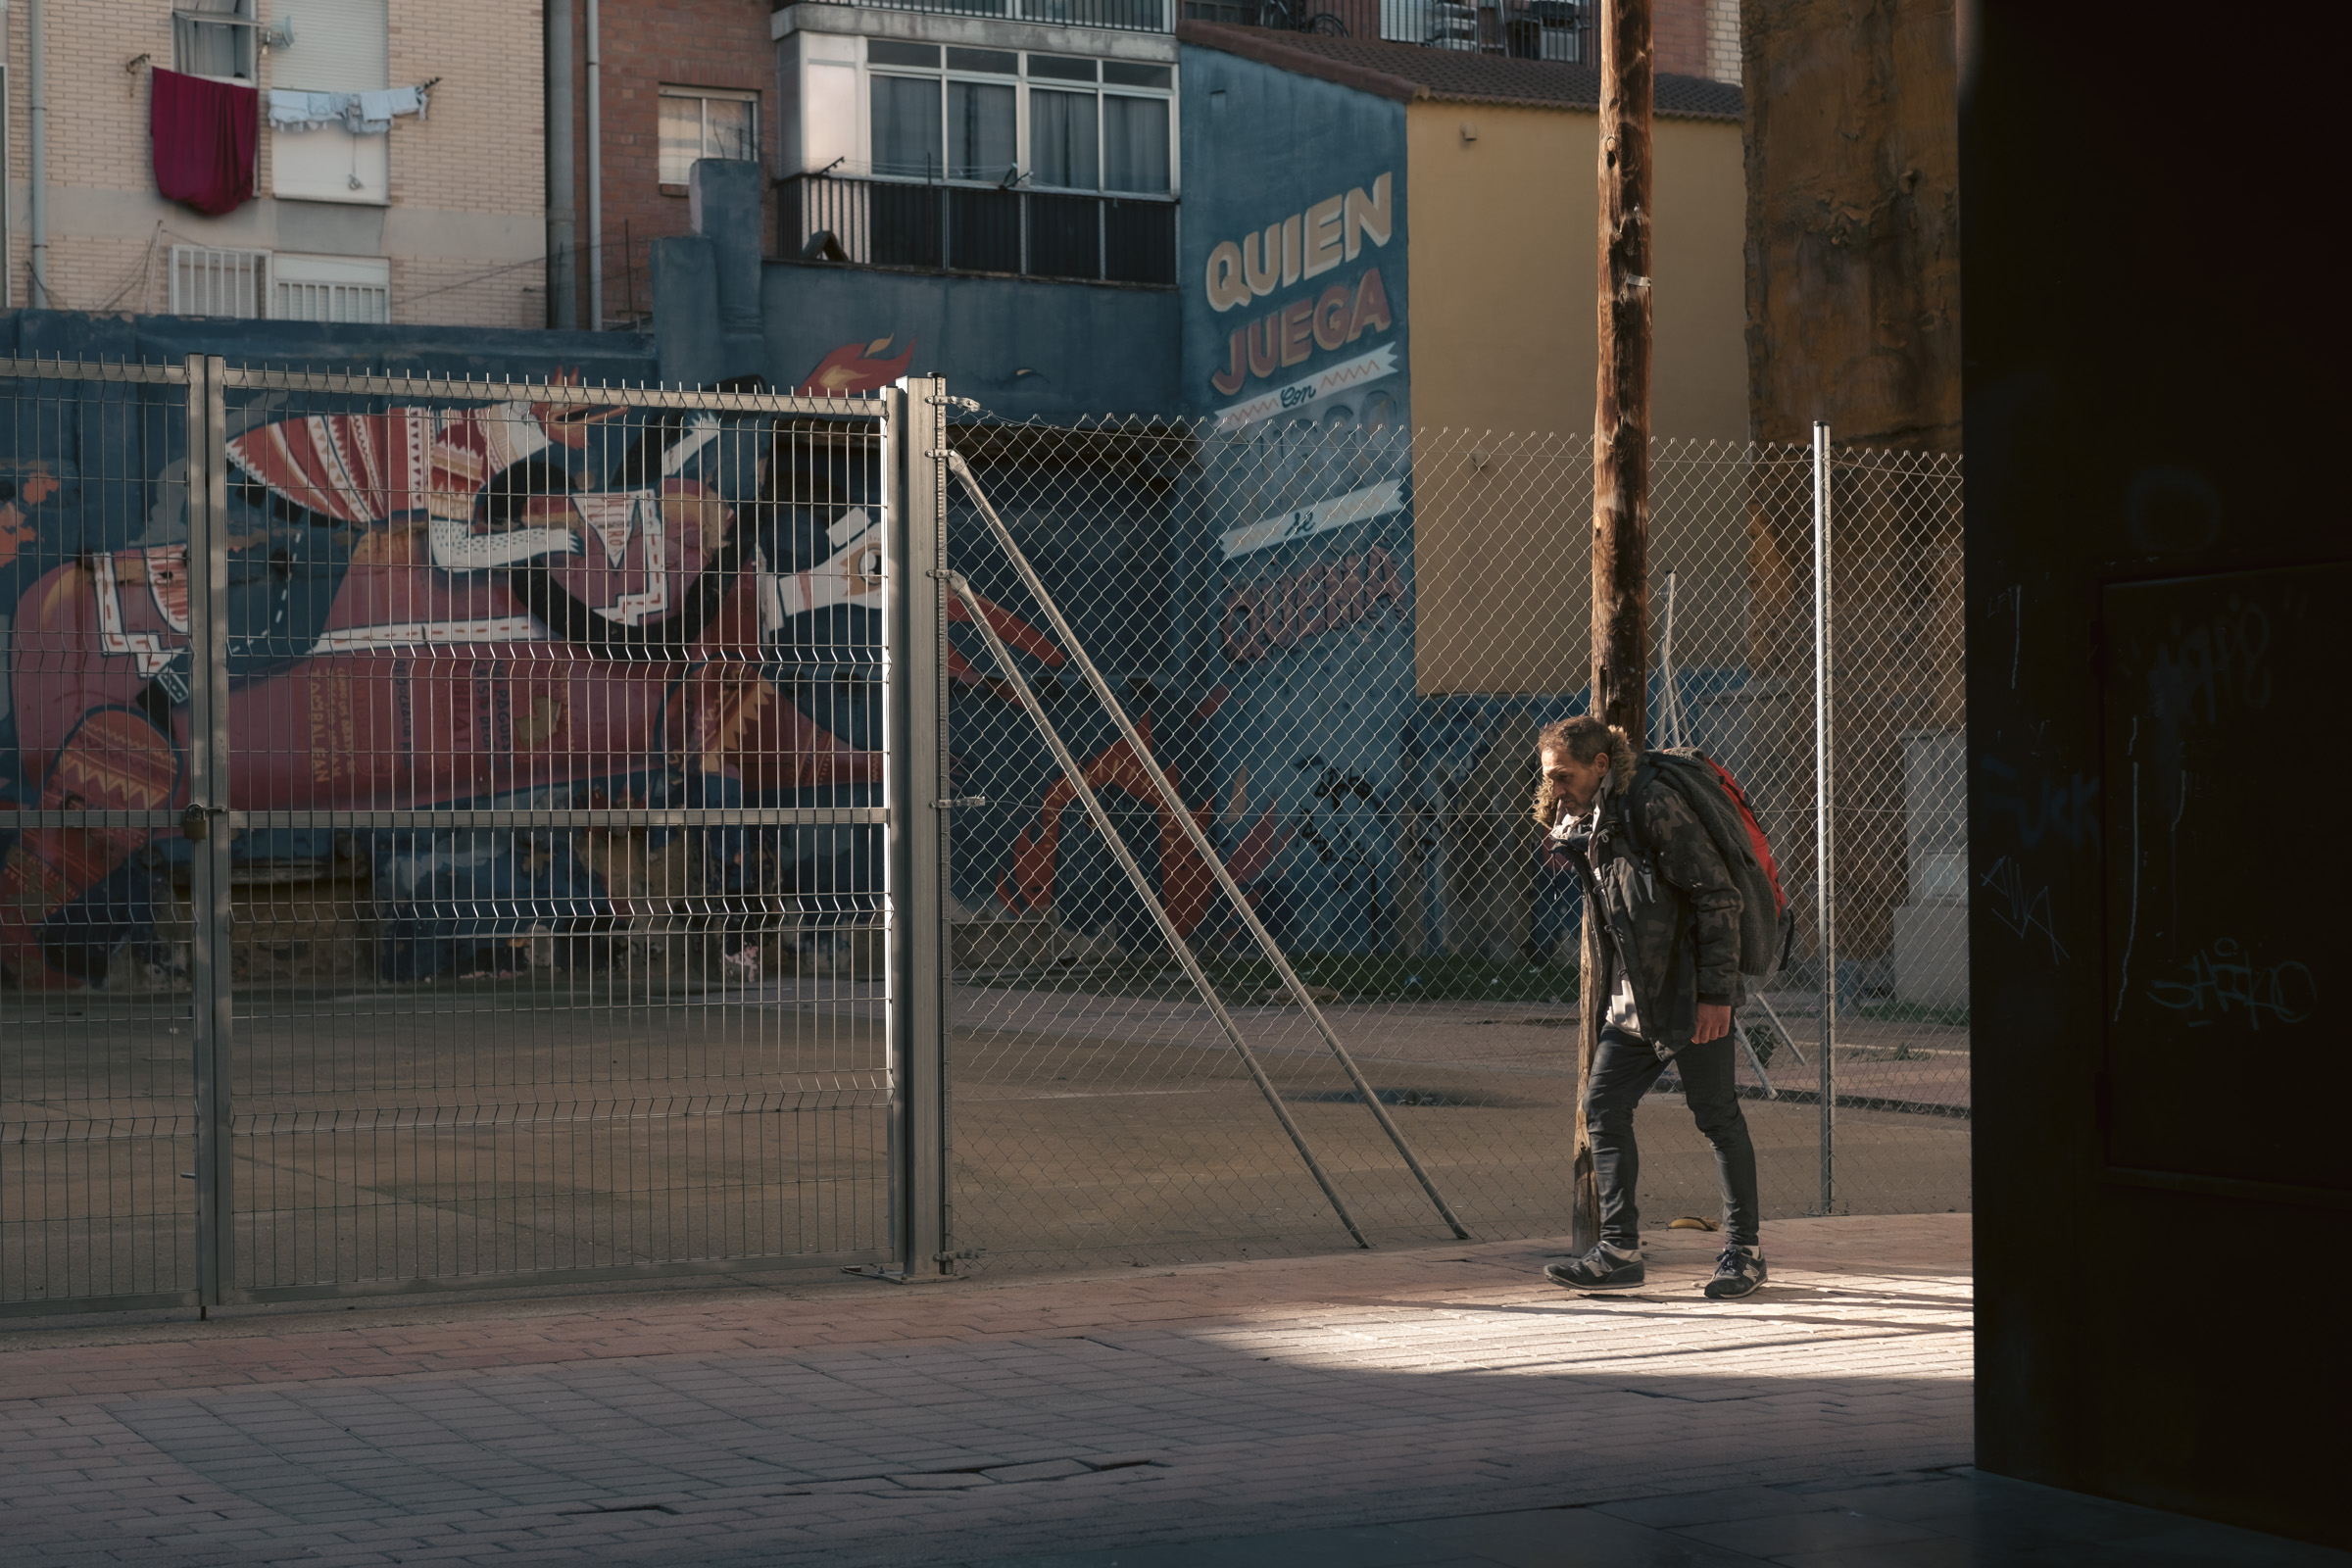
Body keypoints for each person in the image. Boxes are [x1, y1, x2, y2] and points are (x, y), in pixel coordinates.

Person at [1534, 714, 1766, 1299]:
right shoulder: (1588, 816)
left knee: (1716, 1117)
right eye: (1548, 777)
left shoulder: (1653, 806)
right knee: (1604, 1108)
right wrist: (1569, 832)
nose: (1554, 788)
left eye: (1563, 776)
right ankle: (1618, 1252)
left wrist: (1717, 996)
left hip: (1688, 993)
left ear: (1600, 767)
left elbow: (1718, 897)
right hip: (1633, 997)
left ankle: (1744, 1253)